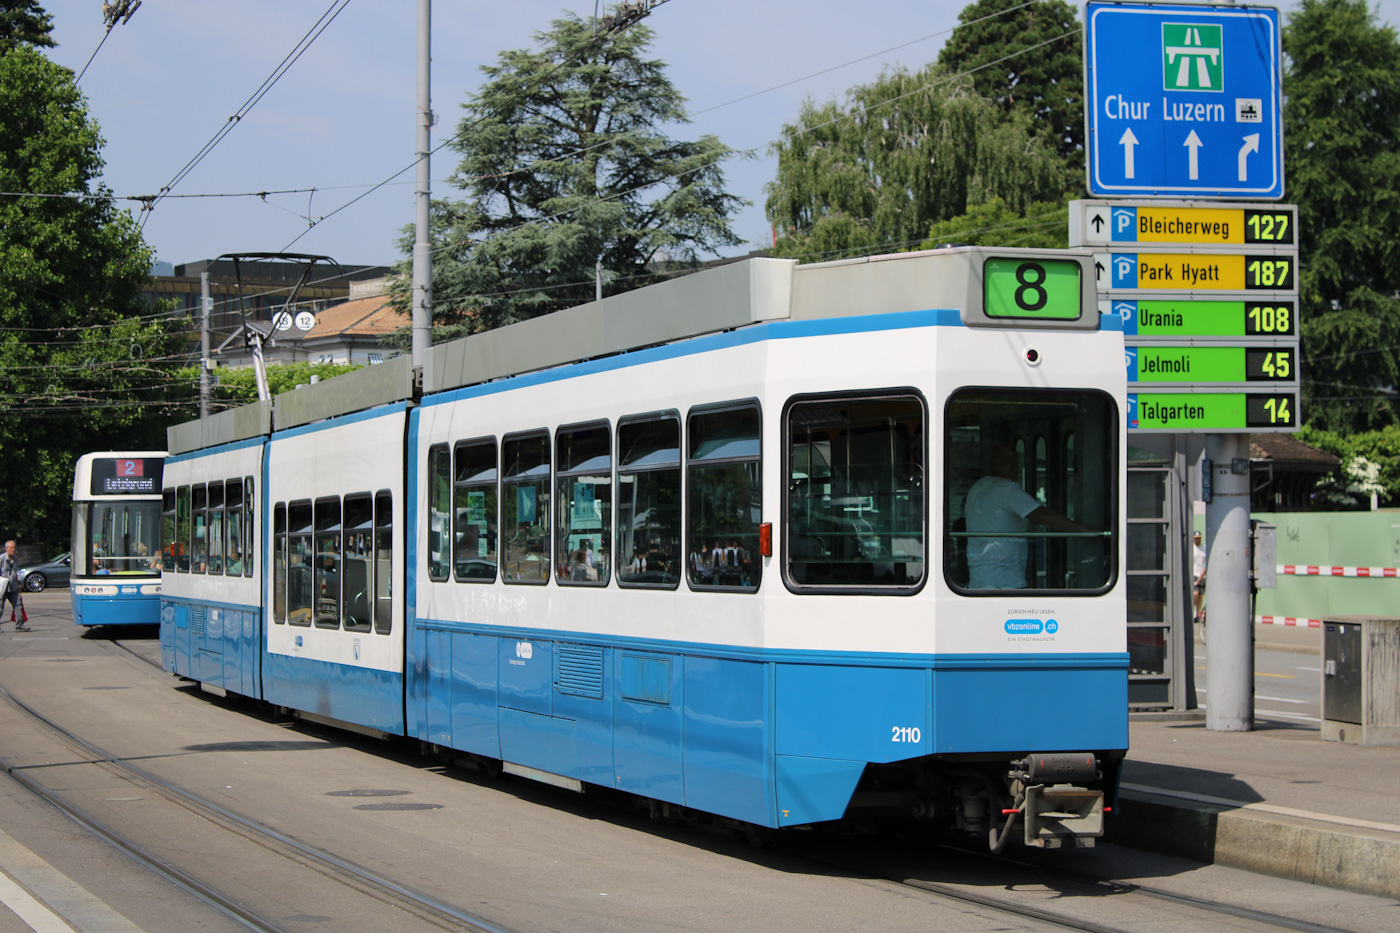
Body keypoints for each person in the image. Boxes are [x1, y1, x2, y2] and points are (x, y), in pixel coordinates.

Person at [964, 446, 1094, 589]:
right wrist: (1084, 530)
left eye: (1015, 464)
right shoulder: (1007, 488)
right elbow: (1043, 516)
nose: (1015, 469)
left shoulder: (978, 487)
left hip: (978, 578)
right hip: (1005, 579)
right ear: (993, 465)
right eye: (1011, 464)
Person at [0, 541, 30, 631]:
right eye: (11, 548)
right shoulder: (1, 558)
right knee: (0, 607)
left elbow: (15, 573)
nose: (13, 550)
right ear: (6, 549)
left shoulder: (15, 558)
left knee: (18, 605)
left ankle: (19, 626)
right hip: (2, 587)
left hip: (13, 587)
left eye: (14, 548)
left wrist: (18, 586)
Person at [1192, 531, 1207, 623]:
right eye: (1196, 538)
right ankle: (1192, 612)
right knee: (1195, 594)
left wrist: (1202, 574)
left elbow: (1206, 562)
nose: (1198, 539)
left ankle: (1198, 614)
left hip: (1203, 574)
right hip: (1194, 574)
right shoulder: (1192, 548)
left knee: (1201, 596)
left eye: (1199, 538)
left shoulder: (1204, 548)